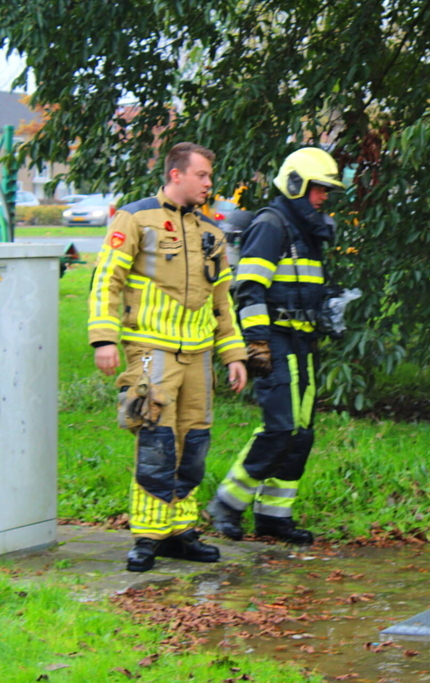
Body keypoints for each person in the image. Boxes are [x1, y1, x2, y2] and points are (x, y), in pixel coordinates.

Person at [88, 142, 248, 572]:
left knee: (193, 442)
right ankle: (147, 536)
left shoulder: (212, 231)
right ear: (177, 174)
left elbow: (222, 301)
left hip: (198, 356)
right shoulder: (136, 218)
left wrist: (233, 352)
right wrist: (104, 338)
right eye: (202, 175)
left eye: (210, 176)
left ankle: (181, 532)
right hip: (150, 349)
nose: (210, 183)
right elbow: (107, 278)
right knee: (156, 441)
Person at [205, 147, 344, 545]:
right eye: (318, 189)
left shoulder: (307, 230)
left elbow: (301, 284)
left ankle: (273, 516)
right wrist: (257, 344)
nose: (322, 198)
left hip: (304, 339)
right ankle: (227, 504)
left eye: (325, 191)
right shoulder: (272, 224)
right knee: (280, 427)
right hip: (276, 339)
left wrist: (330, 301)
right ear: (297, 184)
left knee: (302, 433)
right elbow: (249, 289)